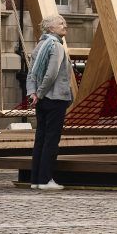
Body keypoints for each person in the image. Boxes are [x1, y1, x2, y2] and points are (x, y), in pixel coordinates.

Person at [26, 13, 73, 191]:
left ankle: (36, 179)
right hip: (55, 99)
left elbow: (32, 73)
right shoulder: (57, 46)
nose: (64, 25)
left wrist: (33, 94)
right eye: (60, 23)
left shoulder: (40, 45)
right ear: (50, 28)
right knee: (51, 140)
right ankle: (46, 179)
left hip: (41, 100)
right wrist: (39, 92)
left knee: (40, 139)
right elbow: (51, 74)